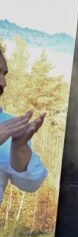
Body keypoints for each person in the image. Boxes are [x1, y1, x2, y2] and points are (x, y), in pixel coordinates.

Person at [0, 46, 47, 204]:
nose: (3, 83)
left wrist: (20, 147)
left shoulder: (10, 126)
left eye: (4, 74)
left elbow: (31, 184)